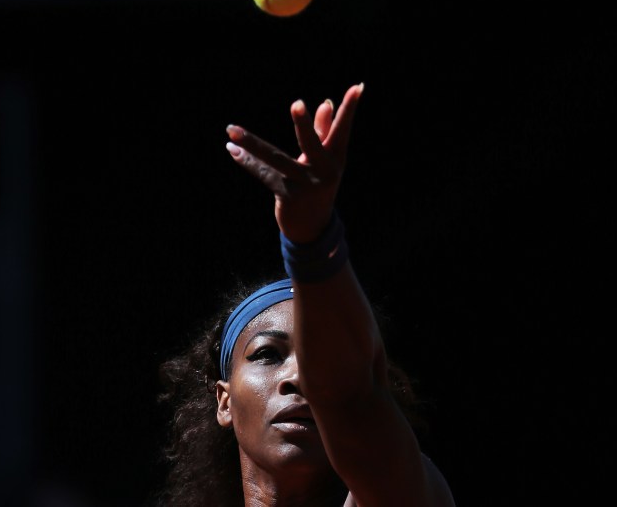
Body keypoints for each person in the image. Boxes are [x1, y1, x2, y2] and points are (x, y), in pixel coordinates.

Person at [150, 83, 456, 506]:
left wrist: (312, 241)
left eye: (320, 357)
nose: (302, 377)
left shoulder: (403, 493)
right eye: (267, 354)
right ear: (224, 401)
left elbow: (349, 397)